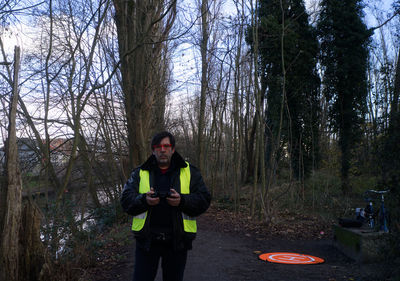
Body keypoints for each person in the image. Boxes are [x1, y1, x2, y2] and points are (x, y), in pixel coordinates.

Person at [121, 131, 211, 281]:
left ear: (173, 149)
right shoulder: (140, 173)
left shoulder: (190, 172)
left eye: (166, 146)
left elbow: (204, 200)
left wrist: (182, 201)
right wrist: (144, 200)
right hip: (147, 242)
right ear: (153, 150)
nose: (162, 150)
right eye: (158, 146)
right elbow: (125, 201)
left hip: (177, 243)